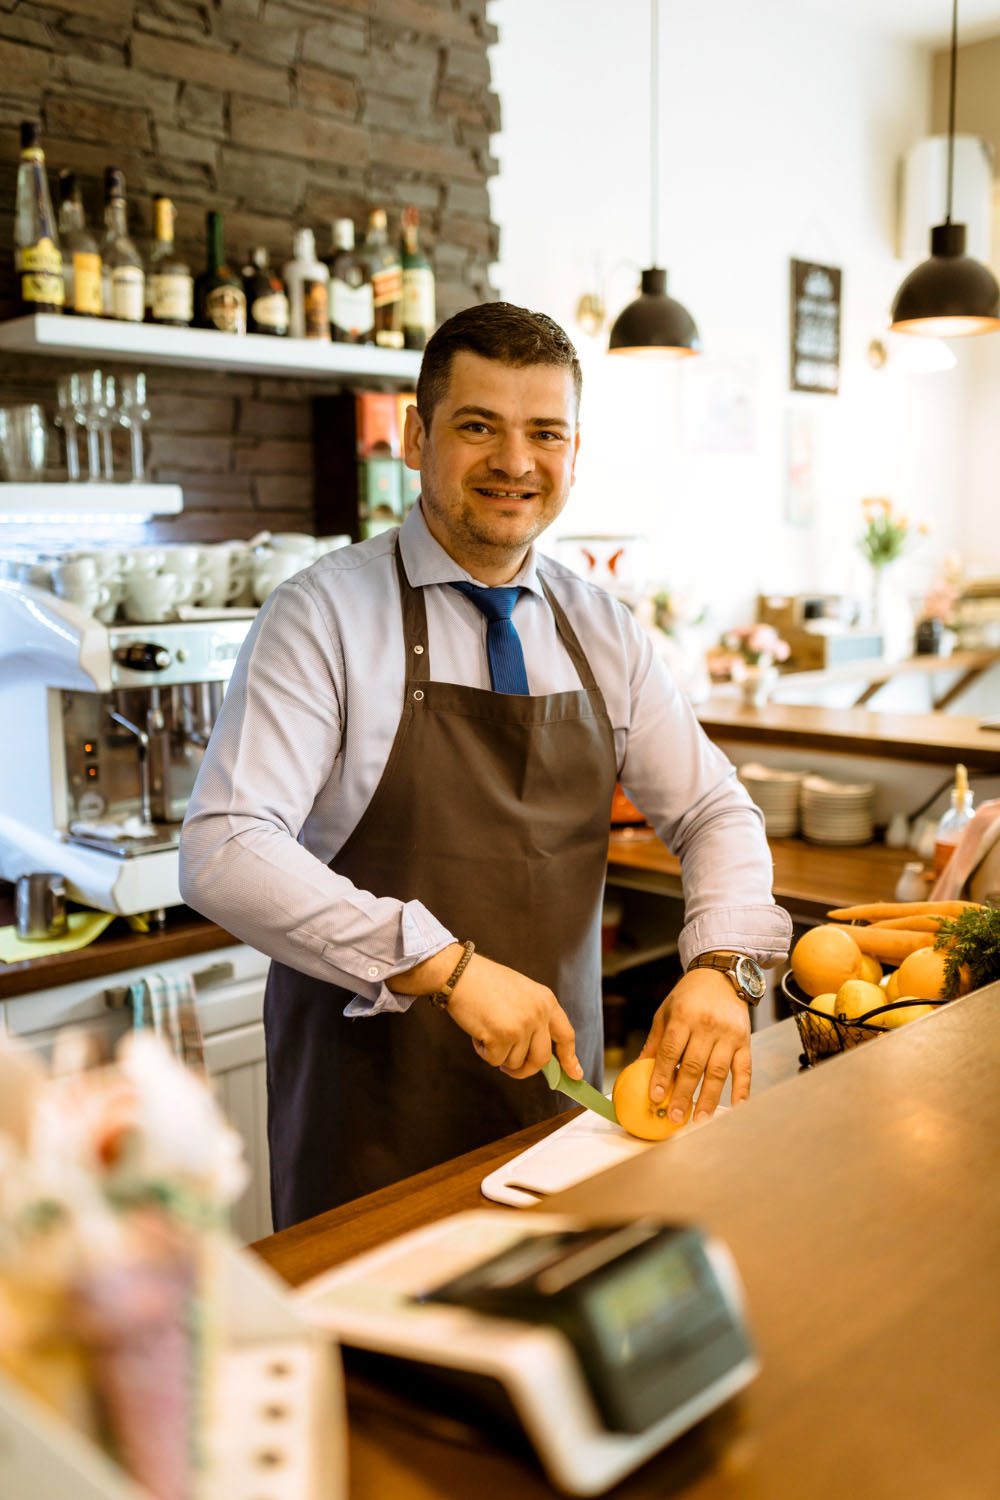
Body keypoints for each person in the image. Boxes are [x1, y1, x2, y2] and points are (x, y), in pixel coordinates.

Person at [180, 302, 792, 1230]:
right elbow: (224, 847)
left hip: (558, 1111)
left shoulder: (603, 629)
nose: (516, 462)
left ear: (574, 453)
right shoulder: (324, 618)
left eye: (545, 433)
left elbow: (715, 810)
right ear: (419, 438)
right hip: (369, 1120)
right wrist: (446, 965)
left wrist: (725, 966)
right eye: (480, 427)